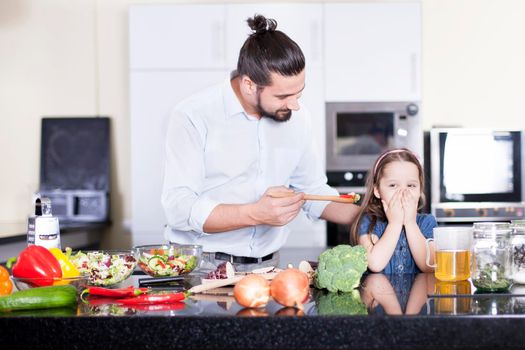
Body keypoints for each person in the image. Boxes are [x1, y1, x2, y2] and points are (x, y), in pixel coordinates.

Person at [161, 14, 360, 270]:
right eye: (283, 96)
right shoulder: (192, 115)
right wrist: (255, 213)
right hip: (203, 267)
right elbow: (179, 208)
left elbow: (312, 190)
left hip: (268, 269)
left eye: (299, 93)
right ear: (249, 85)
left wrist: (371, 217)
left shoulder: (298, 117)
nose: (295, 105)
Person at [350, 148, 437, 273]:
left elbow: (429, 266)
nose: (403, 192)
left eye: (411, 185)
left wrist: (410, 223)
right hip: (379, 292)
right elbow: (375, 264)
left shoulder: (428, 222)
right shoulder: (369, 222)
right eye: (393, 185)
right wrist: (395, 224)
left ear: (419, 191)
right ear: (377, 191)